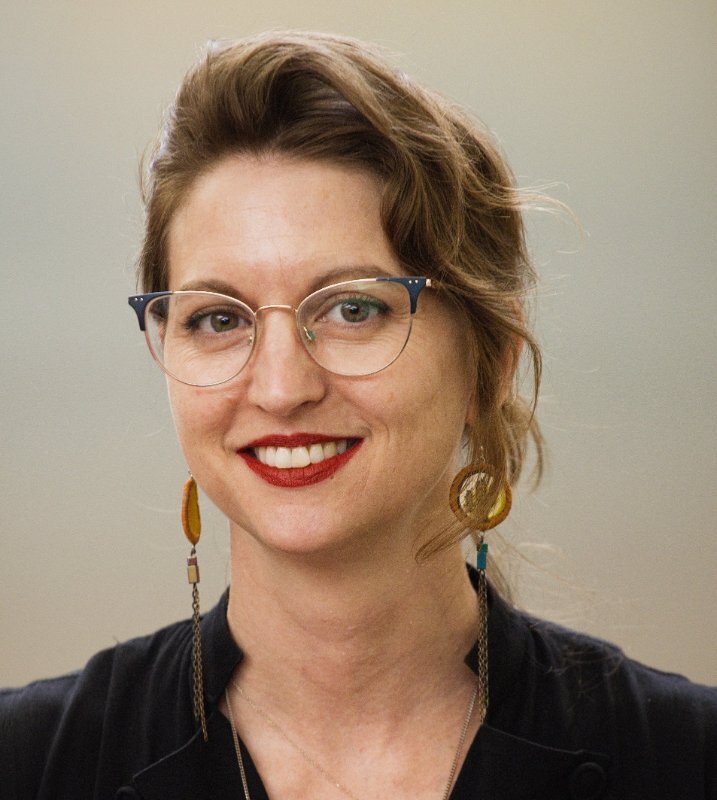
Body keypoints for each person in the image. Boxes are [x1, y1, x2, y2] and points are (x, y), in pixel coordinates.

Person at [2, 30, 715, 800]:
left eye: (351, 309)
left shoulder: (685, 760)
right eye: (219, 319)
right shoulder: (26, 763)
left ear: (489, 362)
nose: (281, 388)